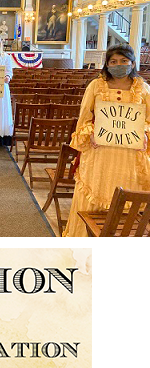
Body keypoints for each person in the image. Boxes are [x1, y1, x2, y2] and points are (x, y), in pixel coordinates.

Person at [63, 44, 150, 237]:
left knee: (126, 201)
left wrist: (144, 132)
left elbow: (149, 121)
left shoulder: (143, 89)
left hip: (131, 158)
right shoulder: (96, 86)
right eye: (113, 62)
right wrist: (90, 133)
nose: (119, 65)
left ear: (132, 63)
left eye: (123, 61)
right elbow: (84, 118)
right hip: (100, 155)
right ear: (107, 64)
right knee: (93, 198)